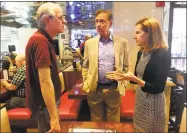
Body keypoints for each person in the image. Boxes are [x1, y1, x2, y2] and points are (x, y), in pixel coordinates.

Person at [107, 17, 171, 132]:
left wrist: (134, 78)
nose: (134, 36)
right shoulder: (141, 52)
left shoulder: (162, 54)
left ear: (150, 34)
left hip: (153, 105)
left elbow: (158, 88)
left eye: (138, 32)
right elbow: (137, 76)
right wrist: (125, 74)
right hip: (140, 100)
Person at [81, 9, 132, 122]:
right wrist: (86, 82)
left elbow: (127, 66)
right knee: (96, 121)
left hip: (113, 88)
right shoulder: (89, 43)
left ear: (110, 23)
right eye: (97, 21)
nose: (98, 24)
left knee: (113, 122)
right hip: (94, 89)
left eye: (102, 21)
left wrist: (123, 83)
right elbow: (85, 66)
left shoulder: (122, 42)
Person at [25, 2, 66, 132]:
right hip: (45, 106)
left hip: (46, 106)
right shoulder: (40, 41)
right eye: (60, 17)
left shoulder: (42, 39)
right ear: (48, 19)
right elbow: (44, 81)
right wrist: (54, 117)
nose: (64, 21)